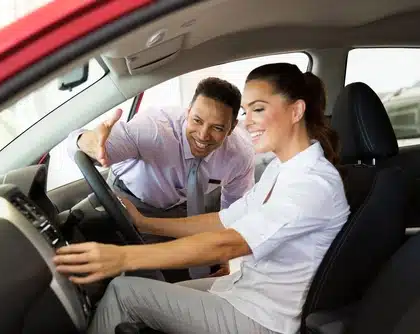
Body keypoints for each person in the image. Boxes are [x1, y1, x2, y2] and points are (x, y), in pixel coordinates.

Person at [54, 63, 350, 334]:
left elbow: (228, 241)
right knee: (156, 290)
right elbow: (224, 221)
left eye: (258, 109)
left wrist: (122, 257)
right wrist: (145, 223)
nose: (248, 123)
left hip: (264, 317)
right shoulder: (281, 169)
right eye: (247, 112)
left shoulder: (312, 183)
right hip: (242, 288)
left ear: (296, 112)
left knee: (124, 292)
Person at [67, 77, 255, 279]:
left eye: (217, 128)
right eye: (197, 121)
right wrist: (89, 142)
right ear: (188, 111)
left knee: (190, 273)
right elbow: (85, 146)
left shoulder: (240, 155)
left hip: (179, 209)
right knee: (142, 275)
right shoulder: (153, 129)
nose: (203, 135)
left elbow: (235, 211)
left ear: (233, 127)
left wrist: (223, 254)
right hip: (128, 200)